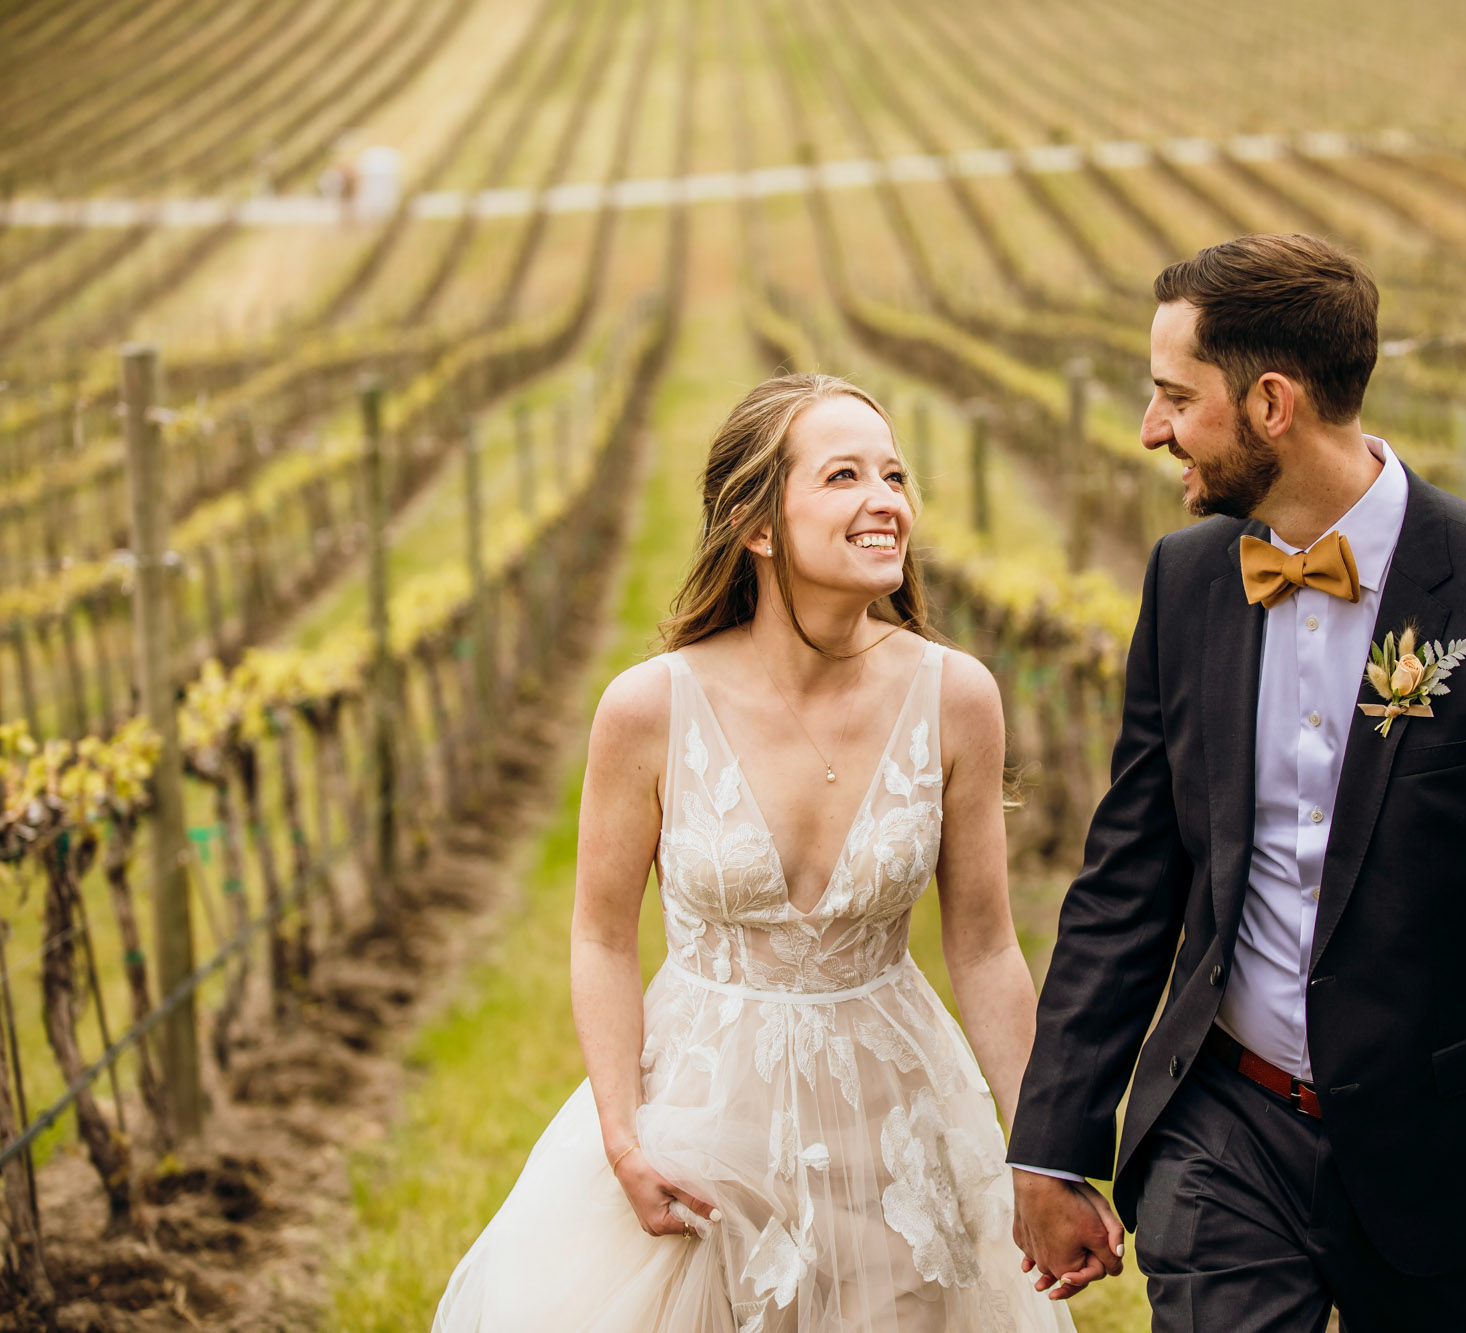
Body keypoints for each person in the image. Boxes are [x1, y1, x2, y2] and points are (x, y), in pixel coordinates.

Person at [1007, 234, 1466, 1333]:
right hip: (1225, 1125)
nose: (1150, 428)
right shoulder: (1184, 582)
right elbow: (1128, 876)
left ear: (1270, 402)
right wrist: (1051, 1142)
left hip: (1438, 1156)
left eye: (1173, 396)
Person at [433, 373, 1075, 1332]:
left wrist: (1042, 1150)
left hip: (893, 1124)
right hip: (702, 1117)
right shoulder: (649, 707)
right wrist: (623, 1136)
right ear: (759, 525)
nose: (885, 501)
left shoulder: (956, 695)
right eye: (845, 475)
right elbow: (603, 938)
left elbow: (985, 947)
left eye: (895, 475)